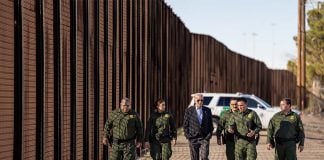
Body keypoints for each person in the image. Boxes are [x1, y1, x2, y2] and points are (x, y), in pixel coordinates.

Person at [183, 93, 214, 160]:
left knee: (204, 157)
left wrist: (208, 136)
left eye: (202, 100)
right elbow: (185, 125)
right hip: (193, 138)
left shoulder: (207, 110)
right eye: (198, 100)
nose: (200, 102)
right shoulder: (189, 111)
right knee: (194, 158)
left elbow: (210, 125)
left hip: (204, 138)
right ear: (194, 101)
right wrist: (188, 136)